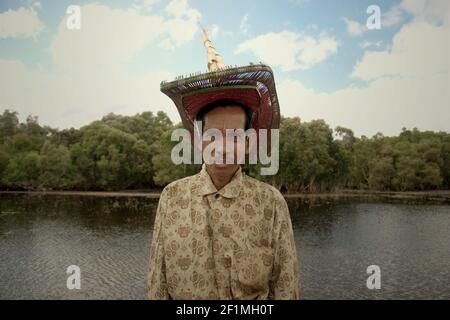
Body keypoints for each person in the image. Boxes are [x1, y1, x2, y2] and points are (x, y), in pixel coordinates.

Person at [147, 27, 300, 300]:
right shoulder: (172, 198)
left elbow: (286, 288)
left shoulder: (271, 203)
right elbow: (157, 286)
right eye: (213, 135)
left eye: (235, 136)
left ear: (249, 142)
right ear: (198, 139)